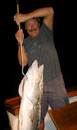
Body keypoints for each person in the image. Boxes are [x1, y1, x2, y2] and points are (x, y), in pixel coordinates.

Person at [14, 7, 69, 130]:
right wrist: (20, 43)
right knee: (38, 121)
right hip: (36, 88)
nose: (31, 26)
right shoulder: (26, 42)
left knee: (64, 116)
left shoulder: (46, 31)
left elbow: (50, 11)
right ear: (25, 28)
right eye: (28, 25)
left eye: (33, 23)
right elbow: (23, 63)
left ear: (39, 25)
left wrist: (24, 17)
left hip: (55, 82)